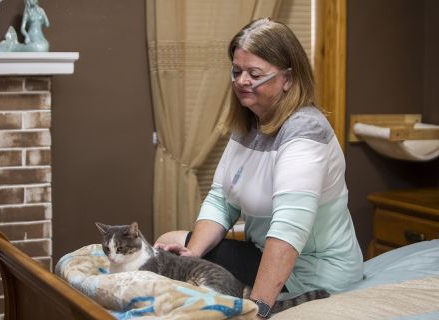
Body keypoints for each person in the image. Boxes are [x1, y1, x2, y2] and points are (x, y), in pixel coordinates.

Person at [155, 17, 363, 318]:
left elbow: (288, 234)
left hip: (313, 272)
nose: (242, 81)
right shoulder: (251, 122)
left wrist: (259, 308)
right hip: (263, 253)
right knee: (170, 246)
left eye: (254, 74)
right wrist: (193, 254)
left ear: (288, 78)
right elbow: (221, 200)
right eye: (237, 72)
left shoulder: (305, 132)